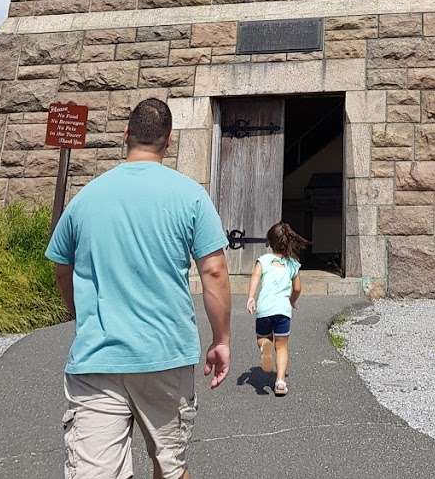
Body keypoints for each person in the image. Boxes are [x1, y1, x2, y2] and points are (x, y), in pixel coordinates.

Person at [46, 97, 231, 479]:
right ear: (168, 142)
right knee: (170, 466)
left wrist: (78, 313)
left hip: (98, 358)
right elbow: (213, 271)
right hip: (166, 354)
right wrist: (221, 338)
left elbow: (62, 269)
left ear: (126, 135)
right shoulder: (191, 196)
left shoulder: (85, 199)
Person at [245, 222, 308, 397]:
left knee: (262, 338)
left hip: (264, 309)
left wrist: (251, 297)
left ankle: (265, 345)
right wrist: (292, 301)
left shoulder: (264, 260)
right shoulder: (293, 264)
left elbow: (255, 277)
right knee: (282, 347)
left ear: (270, 242)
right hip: (283, 310)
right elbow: (297, 288)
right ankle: (280, 382)